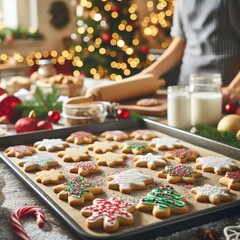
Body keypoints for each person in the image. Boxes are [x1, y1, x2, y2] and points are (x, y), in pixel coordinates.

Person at [141, 0, 240, 104]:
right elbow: (181, 40)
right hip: (187, 86)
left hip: (223, 91)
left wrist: (235, 88)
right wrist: (151, 72)